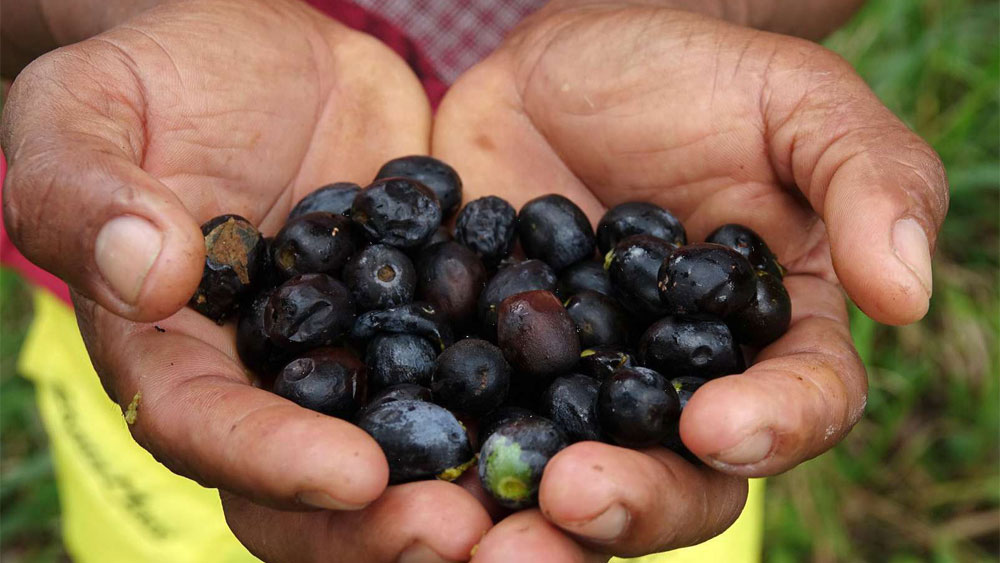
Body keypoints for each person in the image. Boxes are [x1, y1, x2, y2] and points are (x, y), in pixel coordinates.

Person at [0, 0, 948, 561]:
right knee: (195, 507)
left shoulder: (589, 322)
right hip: (160, 318)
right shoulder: (366, 279)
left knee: (654, 471)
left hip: (632, 441)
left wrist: (725, 14)